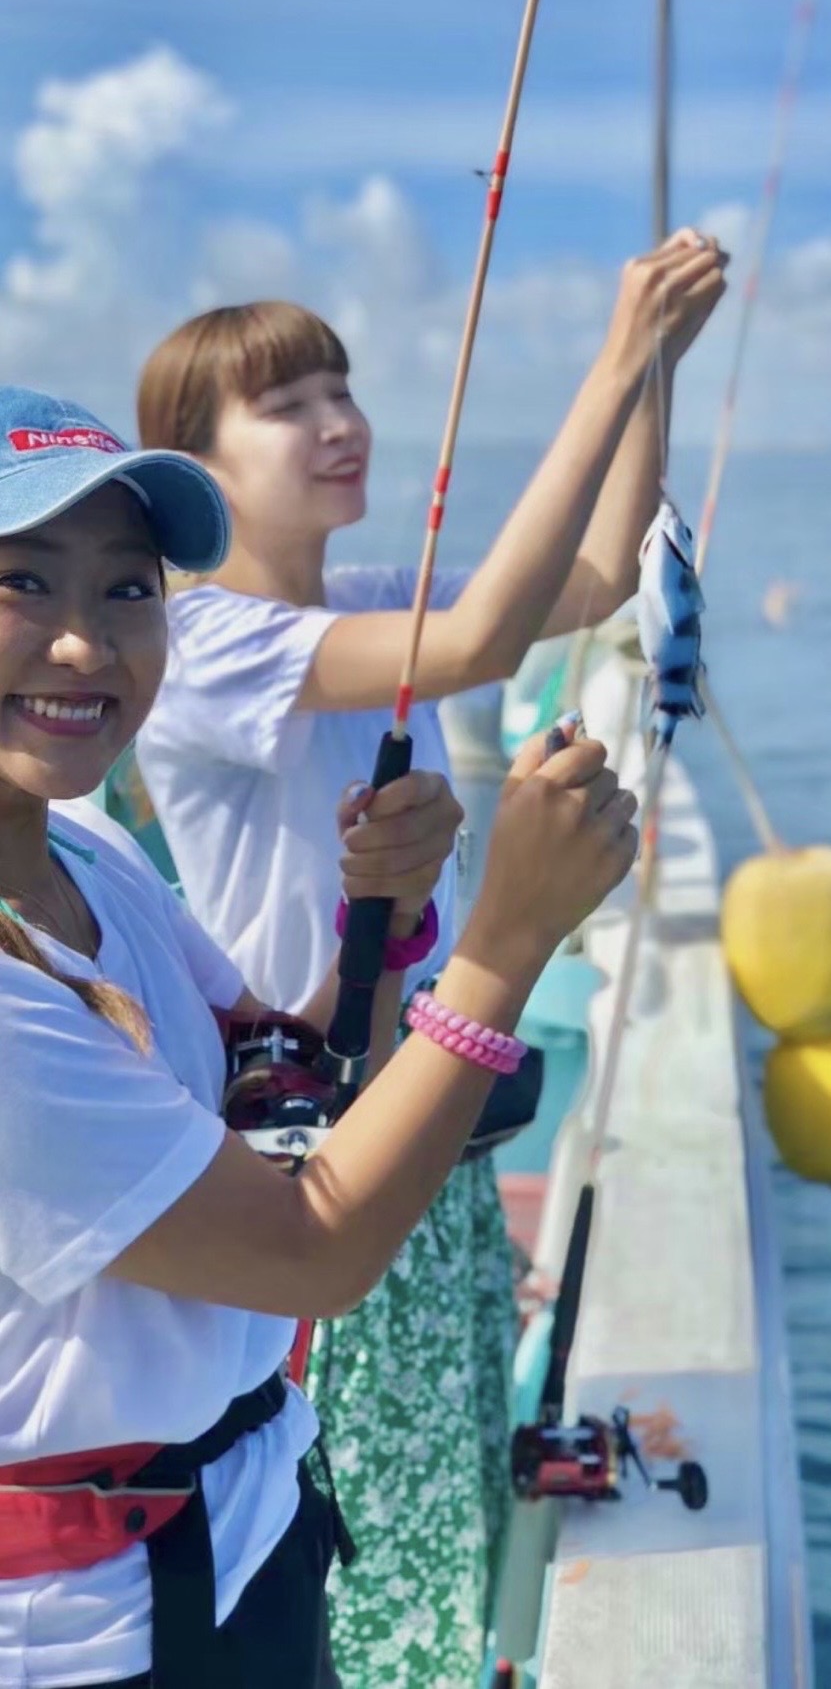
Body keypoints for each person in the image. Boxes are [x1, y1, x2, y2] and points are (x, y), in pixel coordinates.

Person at [128, 232, 726, 1687]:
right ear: (196, 468)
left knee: (445, 1434)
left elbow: (584, 579)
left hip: (436, 1082)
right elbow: (472, 643)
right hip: (316, 1120)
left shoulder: (358, 596)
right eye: (289, 405)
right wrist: (607, 349)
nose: (340, 422)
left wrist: (651, 373)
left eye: (343, 388)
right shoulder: (208, 640)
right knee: (370, 1479)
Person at [0, 384, 639, 1688]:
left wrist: (392, 921)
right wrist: (503, 947)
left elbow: (274, 1068)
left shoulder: (95, 850)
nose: (83, 645)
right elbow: (311, 1251)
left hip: (254, 1532)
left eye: (128, 590)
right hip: (96, 1636)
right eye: (23, 583)